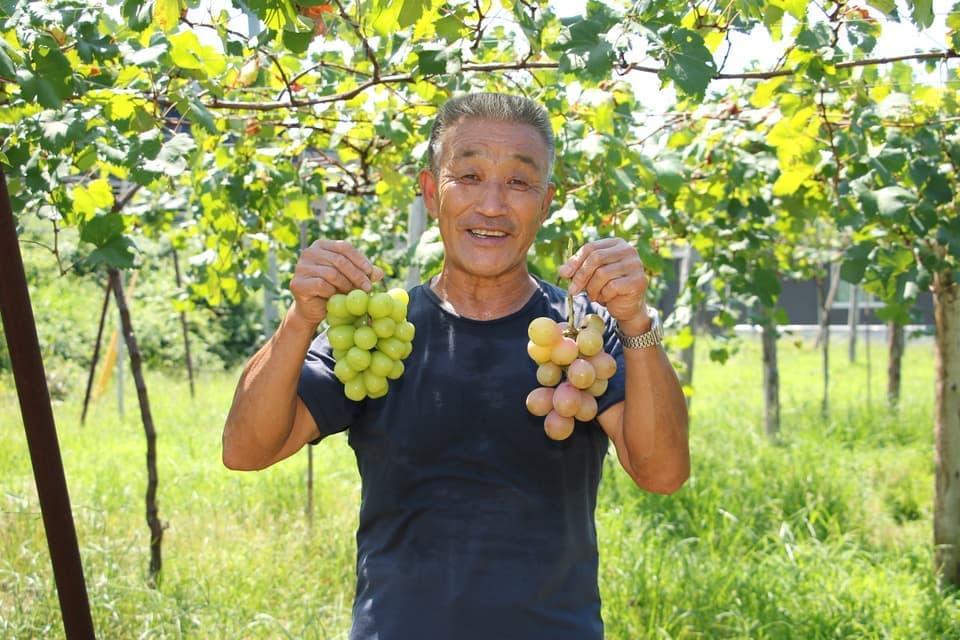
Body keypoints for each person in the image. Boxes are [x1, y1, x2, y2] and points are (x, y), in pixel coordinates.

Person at [222, 92, 690, 639]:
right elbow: (245, 451)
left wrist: (636, 322)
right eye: (468, 176)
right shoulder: (381, 334)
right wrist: (300, 319)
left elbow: (662, 474)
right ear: (430, 192)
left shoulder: (581, 337)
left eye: (518, 182)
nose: (492, 204)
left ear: (545, 203)